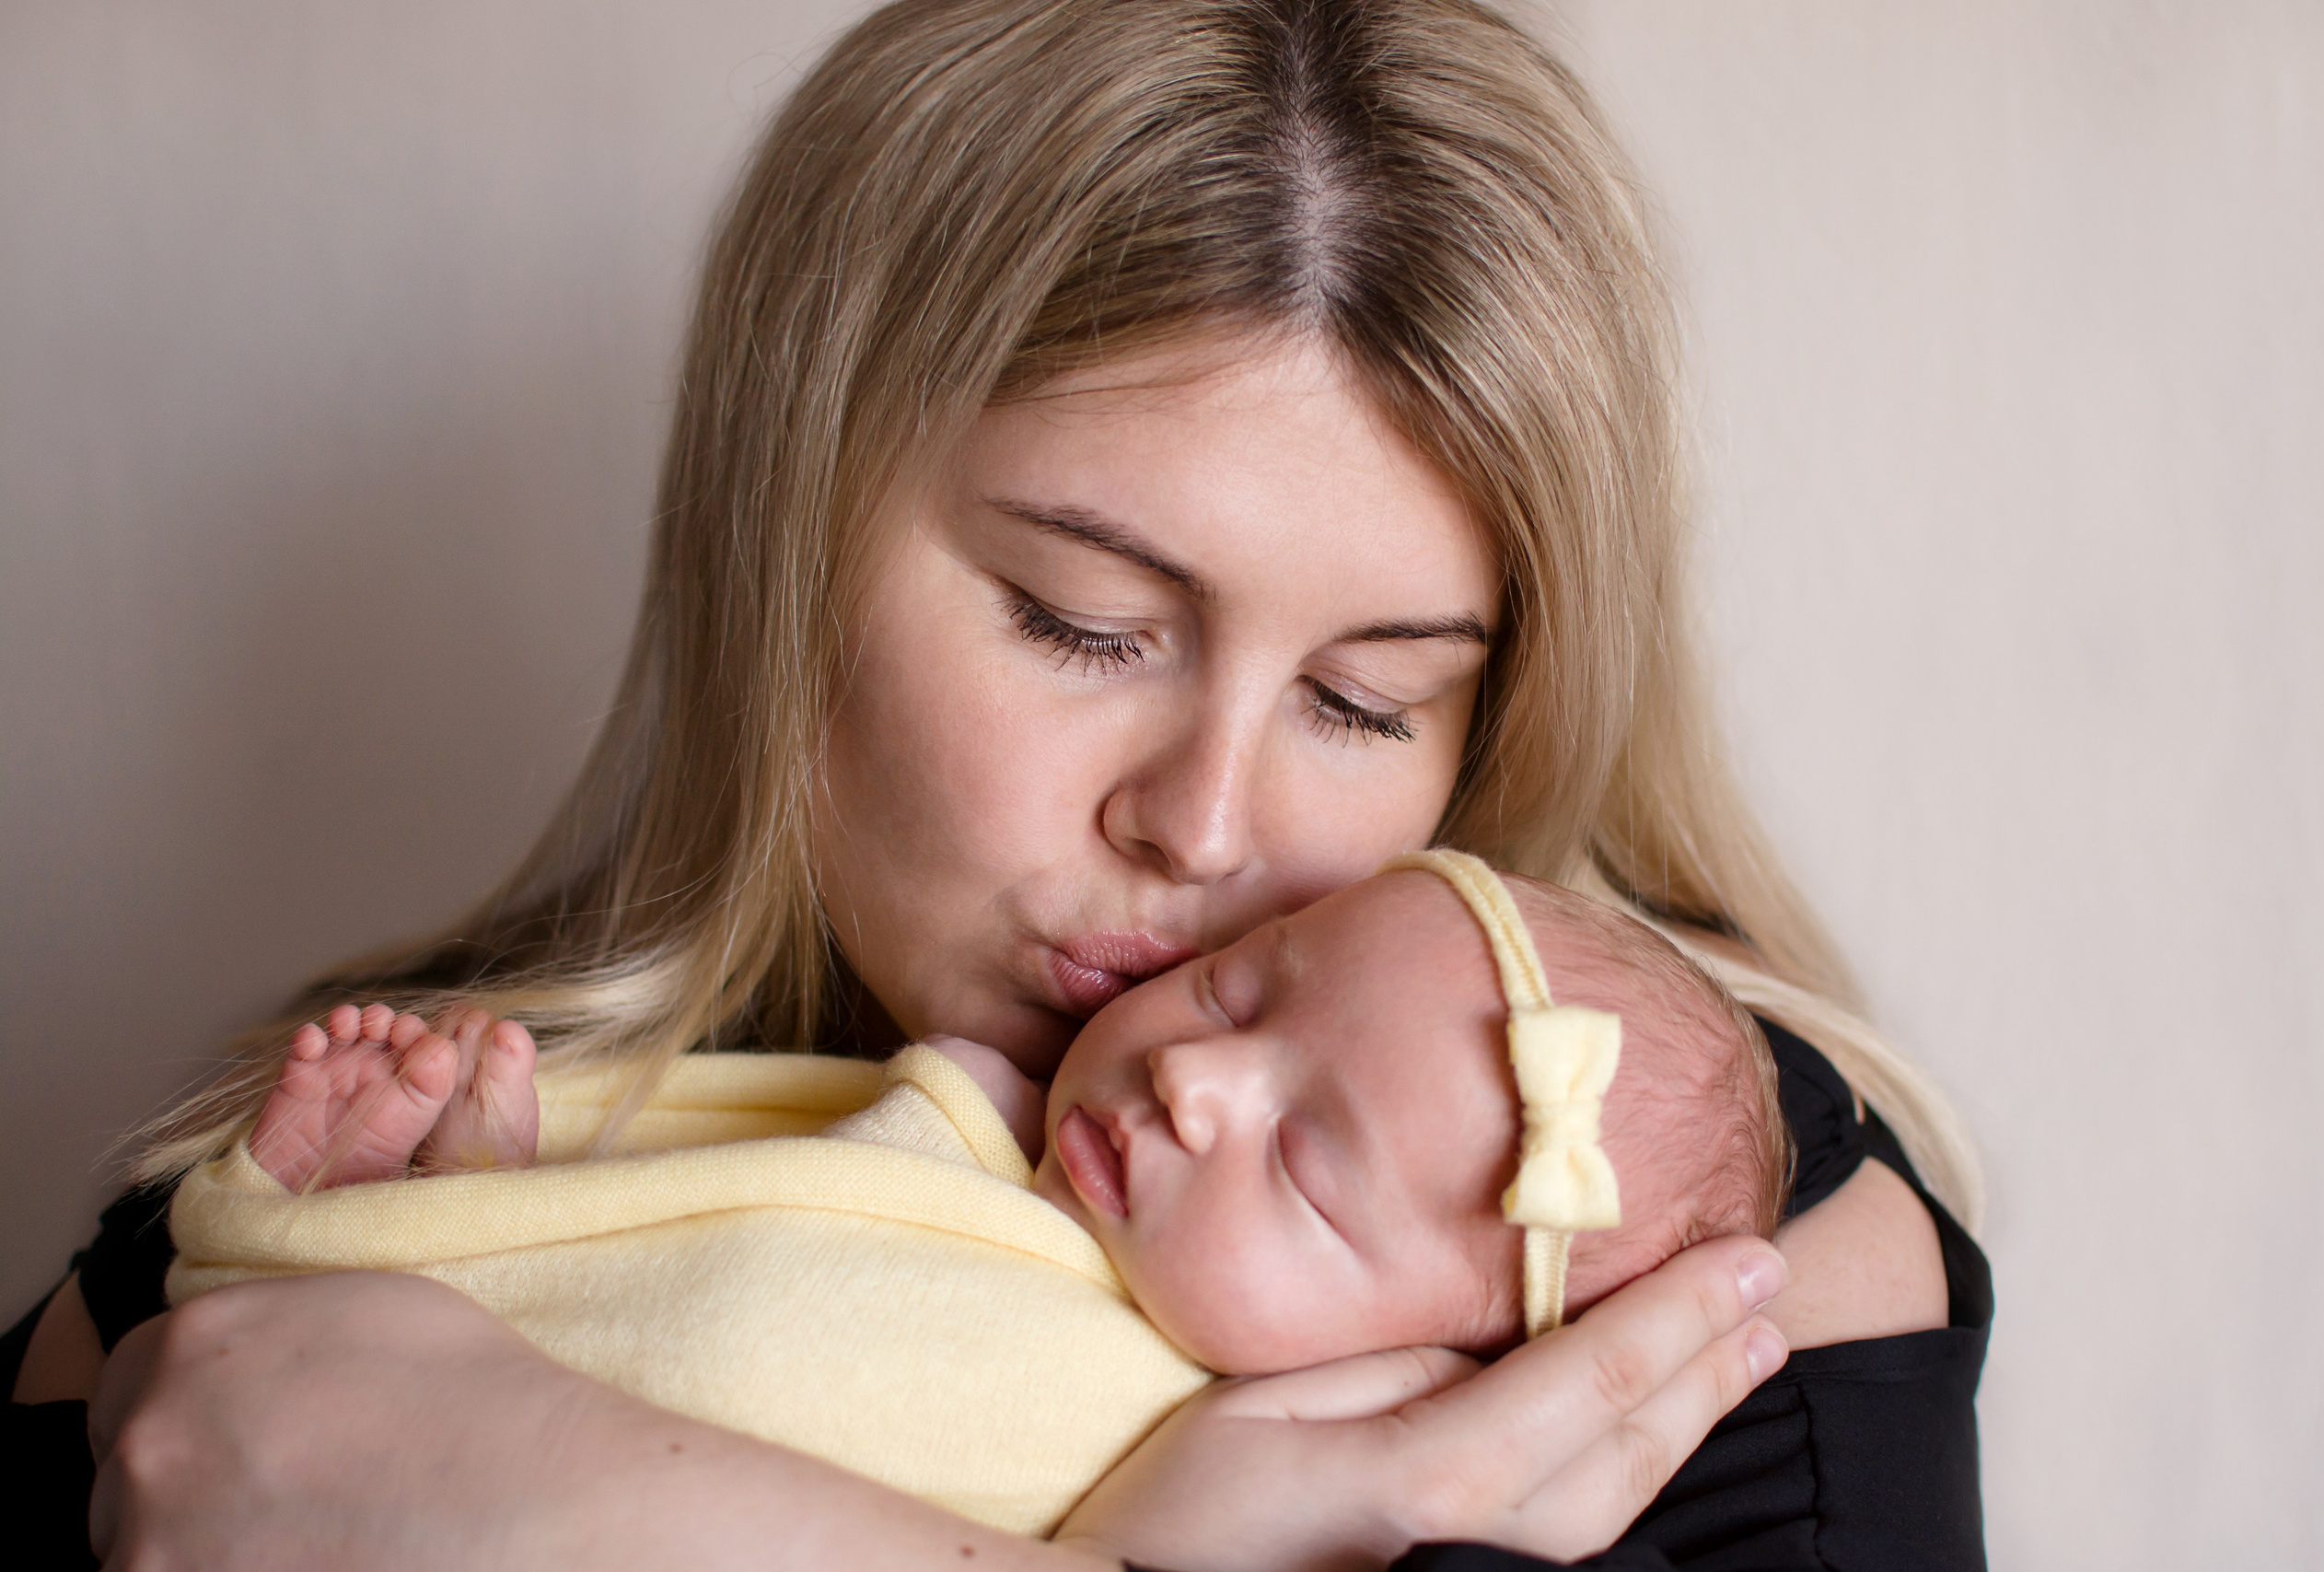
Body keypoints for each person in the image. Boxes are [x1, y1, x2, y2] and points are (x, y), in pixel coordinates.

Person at [4, 0, 1991, 1567]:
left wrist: (632, 1519)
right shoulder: (325, 1178)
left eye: (1366, 701)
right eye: (1078, 623)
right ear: (784, 542)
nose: (1205, 829)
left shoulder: (1666, 1230)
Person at [168, 857, 1792, 1536]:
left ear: (1433, 1378)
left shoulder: (1235, 1454)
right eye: (1233, 991)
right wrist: (517, 1215)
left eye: (1306, 1167)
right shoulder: (955, 1133)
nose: (1194, 1079)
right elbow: (699, 1269)